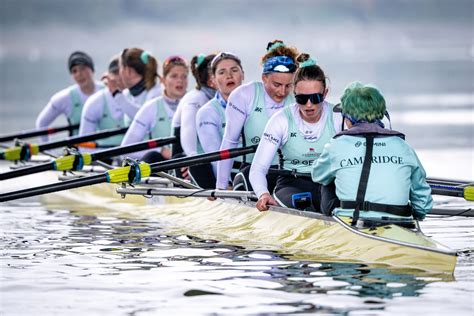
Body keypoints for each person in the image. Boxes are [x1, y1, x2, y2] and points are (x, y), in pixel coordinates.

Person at [312, 81, 433, 223]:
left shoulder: (336, 145)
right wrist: (419, 213)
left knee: (327, 179)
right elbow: (423, 201)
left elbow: (317, 175)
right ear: (381, 114)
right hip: (400, 220)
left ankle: (329, 224)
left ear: (348, 116)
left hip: (352, 220)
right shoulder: (403, 146)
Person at [250, 54, 342, 212]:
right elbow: (258, 168)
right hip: (292, 183)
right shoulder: (281, 120)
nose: (309, 104)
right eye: (302, 98)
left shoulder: (338, 116)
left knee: (333, 206)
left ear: (325, 94)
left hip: (329, 183)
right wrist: (263, 194)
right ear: (294, 95)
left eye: (315, 97)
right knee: (304, 206)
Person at [216, 40, 298, 191]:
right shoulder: (244, 95)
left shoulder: (300, 96)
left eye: (288, 86)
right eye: (277, 85)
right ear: (264, 78)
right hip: (251, 171)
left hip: (288, 174)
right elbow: (229, 142)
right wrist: (221, 187)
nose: (282, 92)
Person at [120, 55, 189, 162]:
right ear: (163, 80)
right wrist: (160, 150)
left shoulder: (195, 103)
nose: (180, 81)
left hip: (187, 165)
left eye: (184, 76)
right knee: (152, 156)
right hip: (161, 170)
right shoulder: (151, 108)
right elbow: (125, 151)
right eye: (174, 76)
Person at [194, 52, 244, 188]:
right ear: (213, 81)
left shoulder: (257, 105)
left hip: (254, 171)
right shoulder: (207, 112)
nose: (229, 76)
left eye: (234, 70)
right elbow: (216, 156)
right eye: (222, 72)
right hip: (226, 174)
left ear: (242, 75)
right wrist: (226, 185)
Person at [36, 51, 103, 141]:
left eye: (83, 69)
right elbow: (41, 123)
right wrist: (49, 152)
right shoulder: (64, 98)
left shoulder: (108, 90)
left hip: (106, 149)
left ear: (92, 69)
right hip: (78, 151)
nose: (79, 74)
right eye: (74, 71)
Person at [171, 53, 216, 158]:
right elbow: (188, 135)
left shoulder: (222, 99)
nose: (229, 76)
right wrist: (192, 158)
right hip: (187, 164)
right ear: (211, 80)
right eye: (222, 72)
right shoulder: (195, 99)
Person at [78, 56, 127, 148]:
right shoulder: (95, 102)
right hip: (104, 155)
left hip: (132, 156)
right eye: (115, 73)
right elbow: (84, 145)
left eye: (122, 73)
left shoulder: (139, 97)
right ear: (108, 76)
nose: (119, 78)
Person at [107, 48, 162, 125]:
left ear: (128, 71)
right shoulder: (126, 94)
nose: (119, 74)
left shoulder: (157, 92)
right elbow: (116, 117)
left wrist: (116, 94)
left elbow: (144, 118)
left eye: (120, 68)